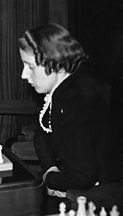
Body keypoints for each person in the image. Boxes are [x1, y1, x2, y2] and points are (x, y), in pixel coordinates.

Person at [18, 23, 121, 211]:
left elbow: (82, 176)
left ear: (55, 63)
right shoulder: (59, 90)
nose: (24, 75)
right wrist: (50, 170)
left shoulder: (76, 102)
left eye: (30, 66)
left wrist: (51, 180)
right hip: (78, 184)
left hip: (103, 196)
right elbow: (42, 135)